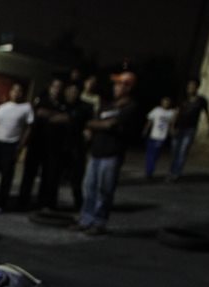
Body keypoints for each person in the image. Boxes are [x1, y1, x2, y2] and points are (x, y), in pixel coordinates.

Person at [74, 71, 138, 235]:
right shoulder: (108, 104)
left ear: (128, 87)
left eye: (120, 84)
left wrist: (96, 124)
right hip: (96, 152)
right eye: (115, 84)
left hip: (112, 155)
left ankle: (99, 222)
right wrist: (95, 125)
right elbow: (92, 123)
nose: (115, 87)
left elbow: (110, 125)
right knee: (89, 188)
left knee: (105, 190)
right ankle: (85, 219)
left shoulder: (130, 107)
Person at [19, 77, 67, 210]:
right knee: (29, 174)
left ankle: (43, 203)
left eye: (59, 87)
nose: (57, 90)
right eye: (55, 87)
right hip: (36, 143)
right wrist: (56, 116)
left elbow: (66, 118)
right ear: (50, 87)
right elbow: (38, 113)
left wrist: (51, 115)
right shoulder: (41, 99)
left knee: (48, 175)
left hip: (53, 146)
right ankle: (23, 201)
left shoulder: (64, 103)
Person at [0, 82, 33, 213]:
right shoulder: (2, 107)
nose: (16, 93)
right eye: (14, 90)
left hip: (12, 145)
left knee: (6, 176)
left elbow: (29, 128)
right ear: (10, 92)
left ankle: (1, 203)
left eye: (19, 91)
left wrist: (21, 145)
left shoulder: (26, 108)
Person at [168, 78, 209, 181]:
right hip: (178, 128)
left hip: (190, 129)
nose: (190, 88)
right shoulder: (182, 99)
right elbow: (176, 113)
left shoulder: (201, 100)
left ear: (197, 87)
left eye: (192, 86)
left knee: (183, 151)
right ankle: (171, 171)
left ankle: (176, 173)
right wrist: (172, 126)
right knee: (175, 152)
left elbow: (207, 114)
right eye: (189, 86)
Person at [60, 81, 92, 211]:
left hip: (77, 147)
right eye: (70, 91)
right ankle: (49, 204)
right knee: (55, 177)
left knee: (76, 179)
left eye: (75, 92)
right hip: (60, 146)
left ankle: (79, 205)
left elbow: (90, 126)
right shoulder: (61, 105)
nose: (72, 94)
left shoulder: (85, 107)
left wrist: (88, 134)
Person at [142, 96, 176, 180]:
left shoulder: (171, 113)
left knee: (155, 155)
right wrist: (145, 130)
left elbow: (172, 124)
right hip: (153, 135)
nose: (166, 104)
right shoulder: (156, 110)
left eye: (168, 102)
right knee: (149, 154)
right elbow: (150, 121)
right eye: (164, 102)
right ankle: (148, 171)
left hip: (162, 137)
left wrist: (172, 133)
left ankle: (150, 171)